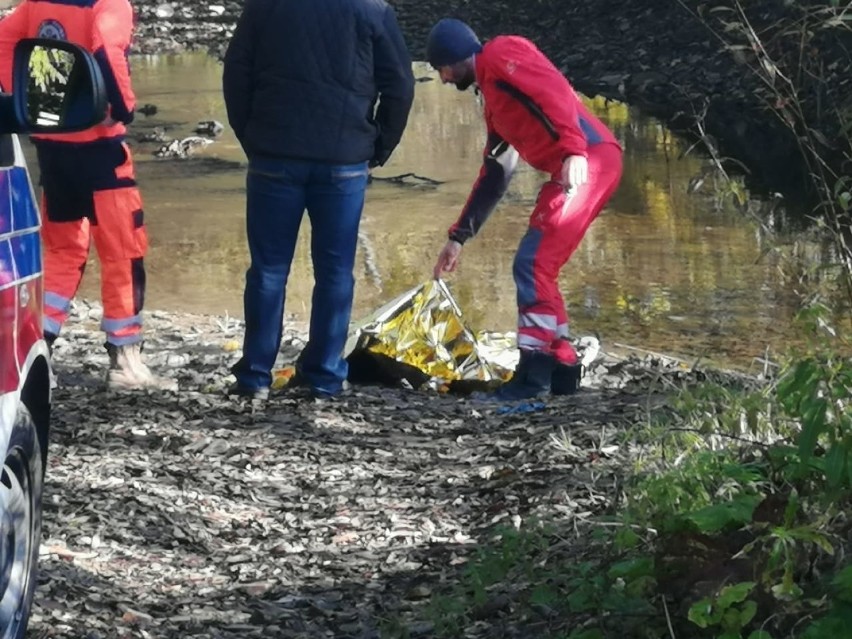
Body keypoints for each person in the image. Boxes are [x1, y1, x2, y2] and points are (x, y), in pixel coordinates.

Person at [223, 0, 415, 400]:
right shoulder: (372, 10)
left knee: (268, 271)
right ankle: (325, 376)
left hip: (274, 154)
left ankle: (255, 376)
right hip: (343, 159)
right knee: (334, 272)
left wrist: (252, 136)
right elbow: (400, 84)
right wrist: (378, 146)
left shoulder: (265, 8)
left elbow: (236, 74)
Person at [426, 18, 623, 400]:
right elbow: (496, 174)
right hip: (575, 166)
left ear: (455, 58)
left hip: (591, 161)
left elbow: (555, 90)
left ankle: (532, 378)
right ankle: (562, 368)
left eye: (442, 69)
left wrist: (573, 150)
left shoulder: (502, 53)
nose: (444, 79)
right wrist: (458, 238)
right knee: (539, 266)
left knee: (531, 265)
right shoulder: (495, 104)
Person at [0, 0, 170, 390]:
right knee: (122, 253)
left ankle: (32, 351)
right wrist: (122, 107)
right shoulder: (109, 4)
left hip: (53, 144)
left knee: (61, 250)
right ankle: (126, 363)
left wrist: (27, 101)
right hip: (100, 150)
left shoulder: (36, 4)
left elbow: (4, 39)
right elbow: (106, 48)